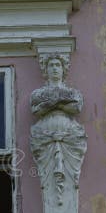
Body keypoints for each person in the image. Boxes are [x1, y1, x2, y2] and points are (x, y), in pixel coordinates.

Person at [29, 54, 86, 204]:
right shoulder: (38, 94)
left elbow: (76, 107)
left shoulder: (73, 93)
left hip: (69, 135)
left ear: (63, 69)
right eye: (51, 65)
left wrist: (53, 103)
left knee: (70, 177)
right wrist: (61, 102)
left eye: (58, 65)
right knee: (48, 177)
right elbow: (36, 109)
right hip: (45, 136)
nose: (55, 68)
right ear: (46, 69)